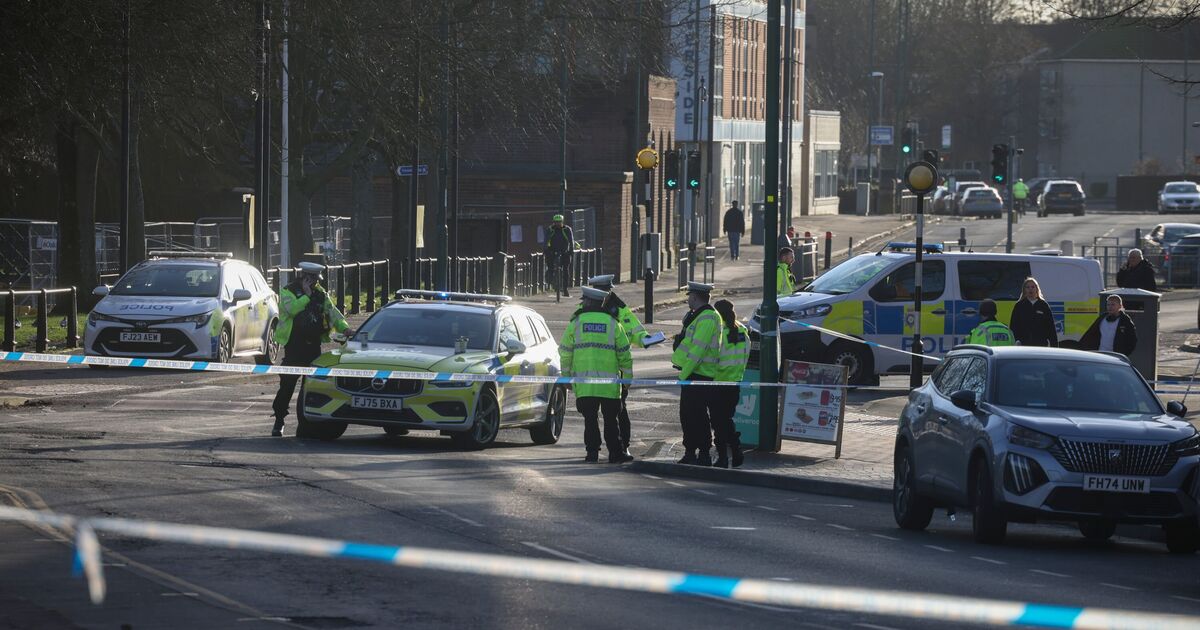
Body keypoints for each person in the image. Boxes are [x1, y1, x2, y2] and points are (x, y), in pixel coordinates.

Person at [272, 262, 350, 437]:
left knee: (311, 386)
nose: (315, 283)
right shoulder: (288, 291)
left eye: (317, 280)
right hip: (294, 346)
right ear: (304, 277)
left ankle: (305, 423)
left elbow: (332, 312)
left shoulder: (320, 293)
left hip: (313, 346)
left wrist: (344, 328)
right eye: (312, 279)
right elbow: (291, 310)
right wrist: (306, 295)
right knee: (287, 385)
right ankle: (279, 419)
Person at [559, 286, 634, 463]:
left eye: (584, 300)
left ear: (589, 301)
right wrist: (627, 379)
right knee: (611, 420)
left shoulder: (576, 323)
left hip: (585, 384)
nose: (582, 303)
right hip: (609, 385)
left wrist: (566, 376)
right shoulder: (613, 323)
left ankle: (592, 453)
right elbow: (625, 353)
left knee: (590, 420)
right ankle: (615, 453)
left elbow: (565, 352)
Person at [590, 274, 655, 459]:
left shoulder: (619, 309)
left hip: (613, 371)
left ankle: (621, 447)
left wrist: (646, 340)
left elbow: (636, 331)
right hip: (590, 370)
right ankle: (594, 450)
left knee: (618, 412)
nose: (606, 293)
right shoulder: (584, 309)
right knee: (593, 414)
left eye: (607, 290)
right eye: (603, 291)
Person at [671, 281, 723, 466]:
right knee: (688, 416)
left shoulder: (708, 318)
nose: (688, 301)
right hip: (693, 374)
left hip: (699, 375)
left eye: (689, 297)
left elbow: (697, 351)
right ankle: (690, 451)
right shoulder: (699, 316)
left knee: (698, 417)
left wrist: (683, 375)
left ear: (695, 297)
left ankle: (703, 453)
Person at [711, 299, 748, 469]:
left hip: (718, 383)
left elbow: (712, 358)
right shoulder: (742, 330)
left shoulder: (719, 332)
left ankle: (724, 457)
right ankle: (735, 449)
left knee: (719, 422)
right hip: (735, 382)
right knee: (726, 419)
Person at [1010, 277, 1058, 347]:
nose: (1030, 289)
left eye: (1033, 287)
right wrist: (1016, 341)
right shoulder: (1019, 306)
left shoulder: (1043, 305)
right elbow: (1013, 326)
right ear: (1024, 290)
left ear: (1036, 289)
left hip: (1041, 344)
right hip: (1023, 345)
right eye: (1028, 287)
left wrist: (1054, 346)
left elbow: (1051, 328)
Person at [544, 214, 575, 296]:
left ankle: (565, 289)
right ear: (553, 222)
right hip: (553, 250)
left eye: (559, 222)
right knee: (550, 266)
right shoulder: (550, 229)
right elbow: (546, 240)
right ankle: (550, 281)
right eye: (556, 222)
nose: (558, 223)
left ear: (562, 222)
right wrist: (546, 249)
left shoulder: (567, 229)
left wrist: (571, 250)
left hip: (564, 251)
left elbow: (571, 241)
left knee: (566, 269)